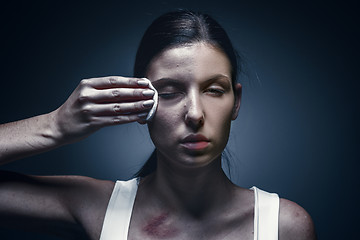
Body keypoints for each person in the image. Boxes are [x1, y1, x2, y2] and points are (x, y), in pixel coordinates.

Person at [0, 10, 316, 240]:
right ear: (140, 103)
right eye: (168, 92)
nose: (195, 113)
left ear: (236, 101)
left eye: (214, 90)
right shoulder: (95, 206)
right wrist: (53, 125)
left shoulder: (284, 226)